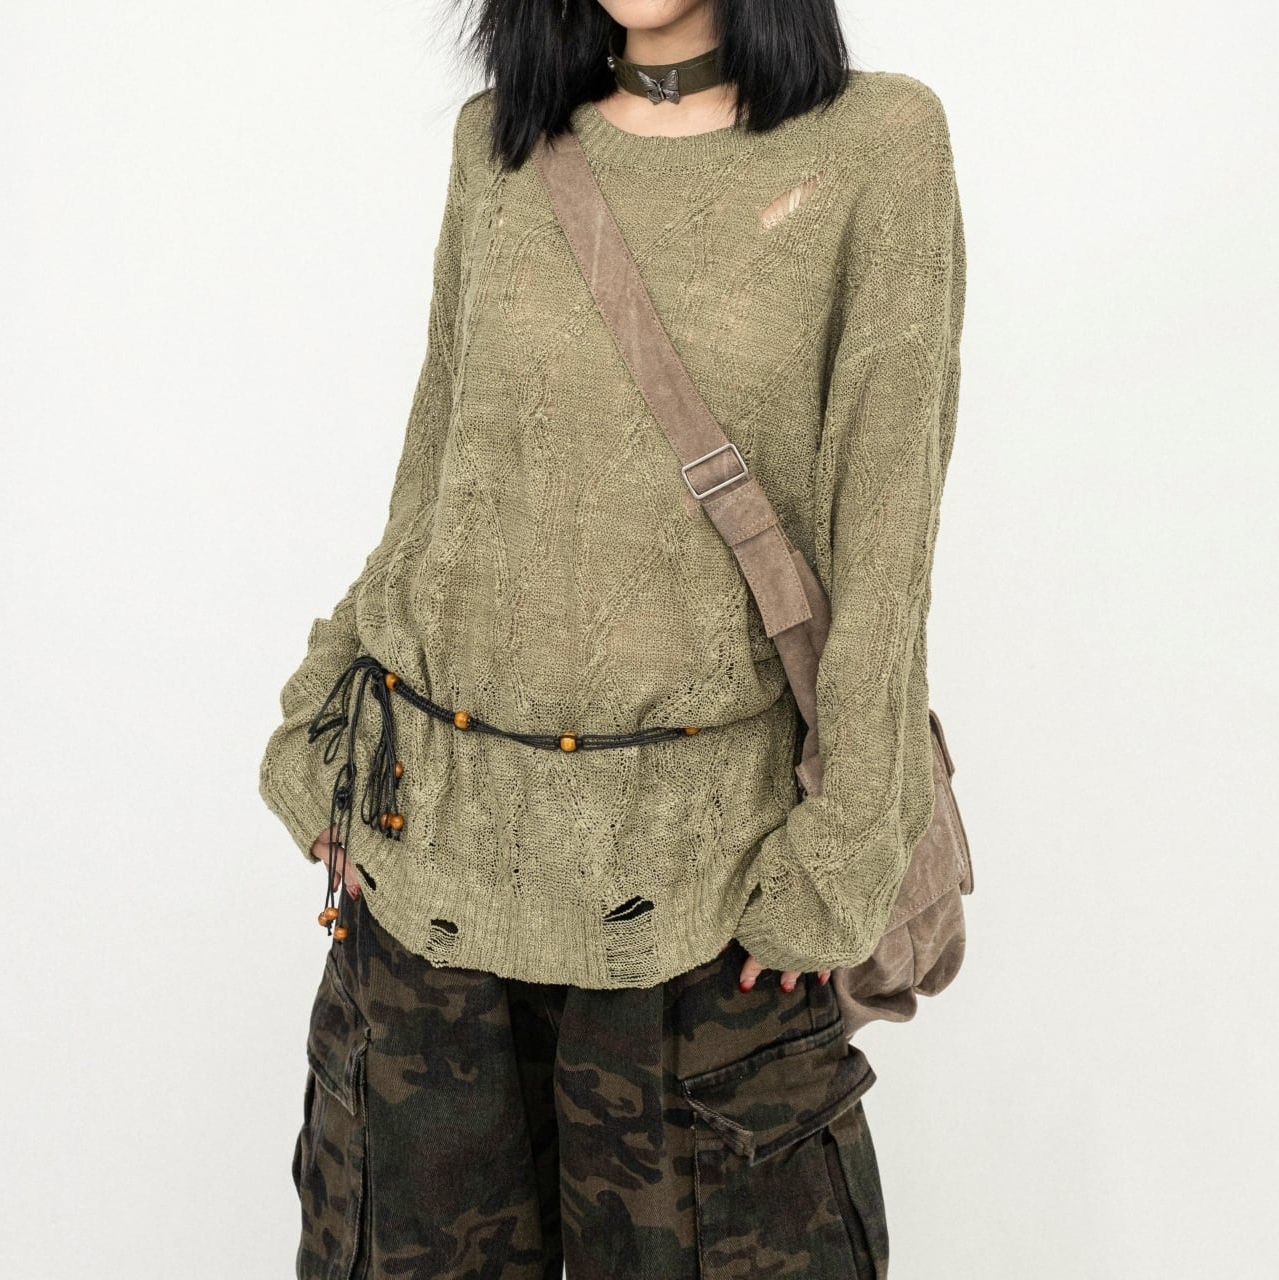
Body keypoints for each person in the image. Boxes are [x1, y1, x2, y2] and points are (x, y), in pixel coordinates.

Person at [258, 1, 965, 1276]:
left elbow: (886, 540)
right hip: (426, 868)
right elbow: (433, 478)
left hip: (701, 891)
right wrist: (322, 735)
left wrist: (841, 849)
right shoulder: (500, 141)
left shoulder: (876, 144)